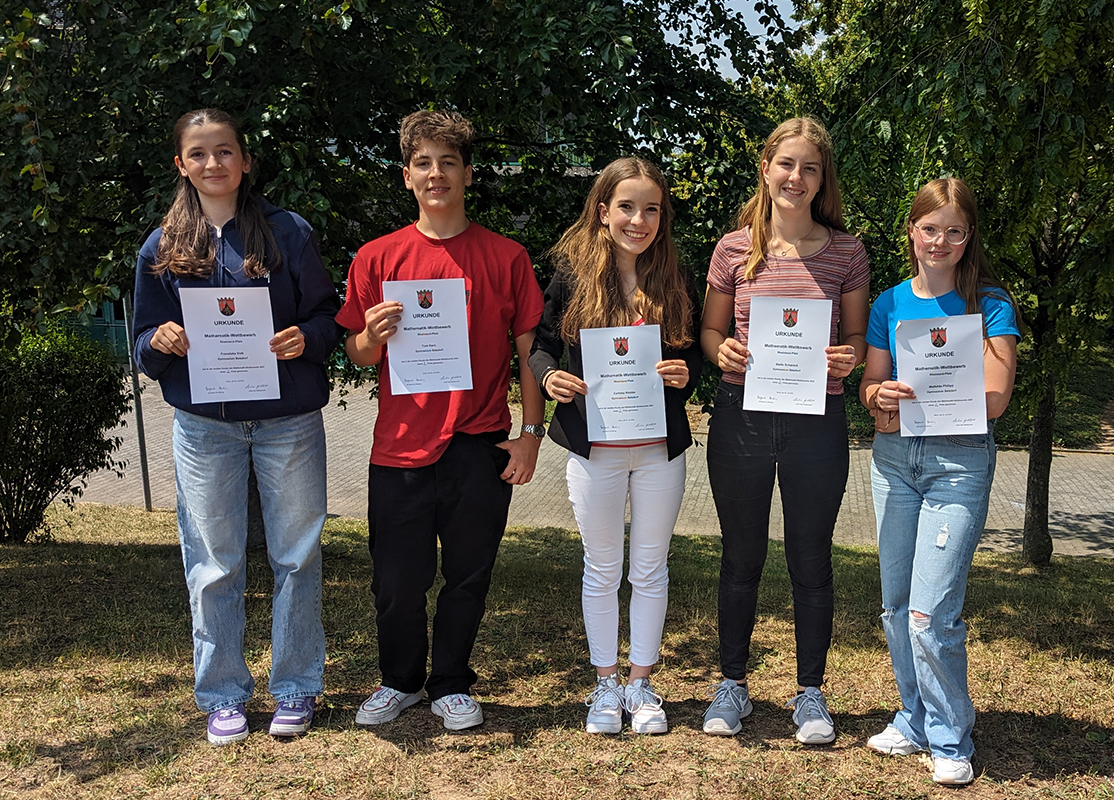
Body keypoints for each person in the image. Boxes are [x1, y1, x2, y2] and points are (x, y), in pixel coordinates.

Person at [132, 108, 341, 745]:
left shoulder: (288, 233)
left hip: (287, 424)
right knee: (214, 565)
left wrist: (302, 338)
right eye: (198, 153)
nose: (213, 163)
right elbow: (142, 345)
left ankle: (297, 687)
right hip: (204, 428)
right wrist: (160, 339)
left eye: (225, 151)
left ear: (246, 161)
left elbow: (330, 317)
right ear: (181, 165)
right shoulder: (162, 246)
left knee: (298, 558)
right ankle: (223, 694)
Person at [337, 109, 545, 732]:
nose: (436, 174)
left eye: (448, 163)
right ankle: (400, 680)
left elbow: (530, 353)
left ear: (467, 174)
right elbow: (355, 350)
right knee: (398, 582)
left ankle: (451, 681)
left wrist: (530, 436)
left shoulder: (506, 257)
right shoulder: (378, 257)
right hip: (399, 447)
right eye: (423, 163)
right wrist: (370, 339)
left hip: (479, 443)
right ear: (406, 177)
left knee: (468, 575)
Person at [699, 117, 870, 744]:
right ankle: (733, 685)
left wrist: (847, 358)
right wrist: (721, 354)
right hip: (742, 417)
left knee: (811, 559)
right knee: (741, 556)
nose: (796, 178)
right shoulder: (731, 249)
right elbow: (710, 333)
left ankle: (810, 694)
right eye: (786, 164)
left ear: (823, 180)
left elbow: (854, 338)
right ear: (766, 168)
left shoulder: (848, 253)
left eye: (810, 168)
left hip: (815, 422)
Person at [529, 158, 703, 735]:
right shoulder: (572, 275)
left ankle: (642, 685)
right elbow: (541, 345)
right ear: (602, 212)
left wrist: (685, 373)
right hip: (594, 445)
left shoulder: (675, 275)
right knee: (602, 568)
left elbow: (693, 355)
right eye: (626, 206)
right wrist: (550, 375)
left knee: (651, 568)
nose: (639, 219)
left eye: (651, 208)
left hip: (659, 448)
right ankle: (605, 686)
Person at [859, 177, 1019, 785]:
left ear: (968, 235)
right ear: (912, 232)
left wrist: (937, 399)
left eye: (954, 230)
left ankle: (951, 738)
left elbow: (998, 396)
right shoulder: (888, 304)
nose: (941, 240)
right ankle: (914, 718)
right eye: (930, 228)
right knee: (896, 608)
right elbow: (872, 394)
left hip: (958, 465)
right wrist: (884, 395)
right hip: (896, 462)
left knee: (932, 613)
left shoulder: (991, 304)